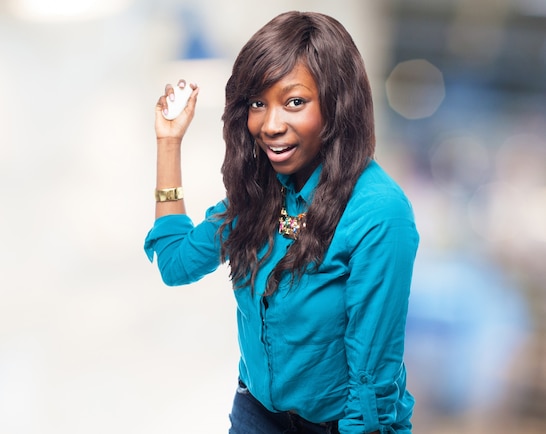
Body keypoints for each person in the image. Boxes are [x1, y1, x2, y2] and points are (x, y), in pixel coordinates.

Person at [144, 11, 419, 434]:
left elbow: (371, 387)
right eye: (258, 103)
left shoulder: (379, 213)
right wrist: (168, 143)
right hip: (256, 414)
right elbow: (175, 264)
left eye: (294, 102)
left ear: (336, 104)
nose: (270, 126)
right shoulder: (261, 193)